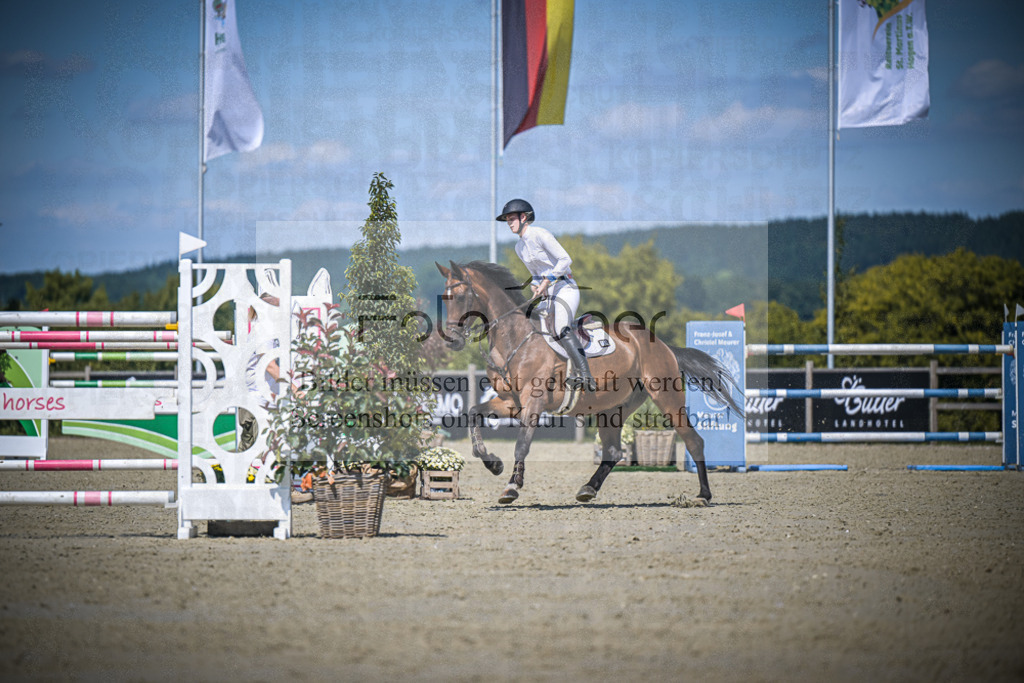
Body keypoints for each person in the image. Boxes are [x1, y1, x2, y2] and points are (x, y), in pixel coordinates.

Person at [496, 198, 597, 392]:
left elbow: (565, 260)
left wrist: (546, 281)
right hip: (547, 294)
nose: (509, 223)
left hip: (565, 287)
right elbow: (535, 274)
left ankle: (585, 375)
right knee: (529, 324)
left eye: (511, 218)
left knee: (560, 327)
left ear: (523, 217)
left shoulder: (540, 234)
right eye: (507, 220)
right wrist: (536, 285)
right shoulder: (519, 248)